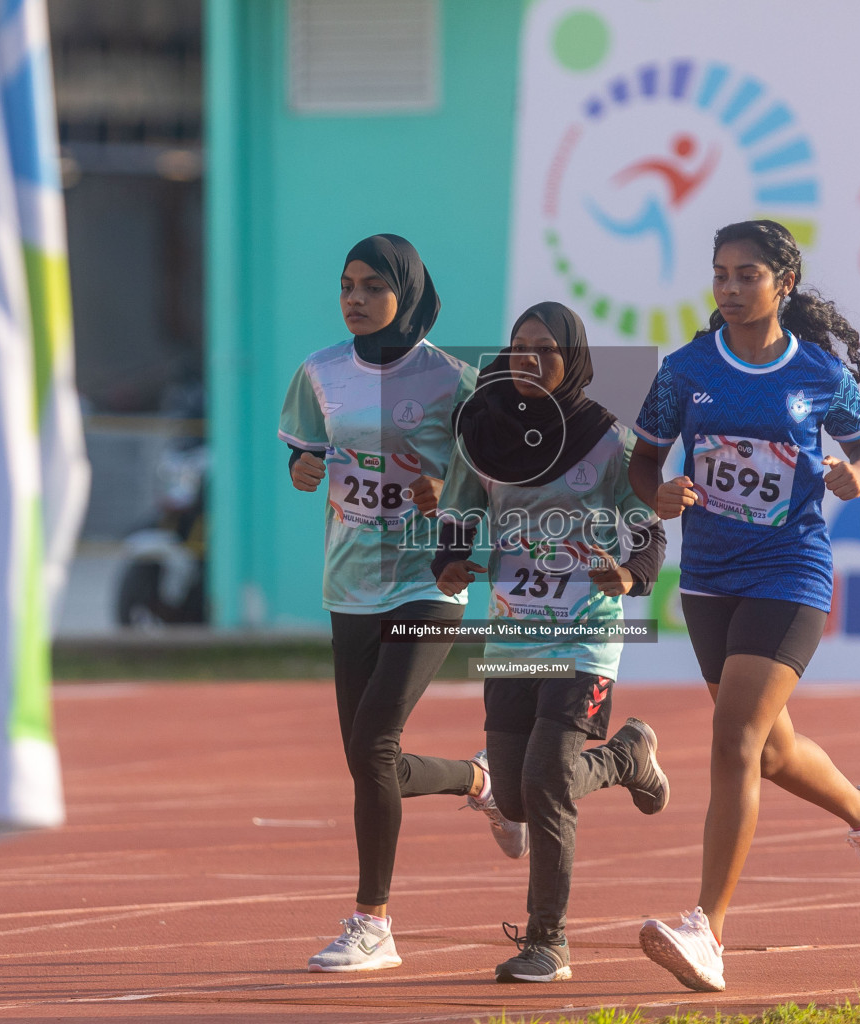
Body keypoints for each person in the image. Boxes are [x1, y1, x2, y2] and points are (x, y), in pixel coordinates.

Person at [626, 221, 860, 992]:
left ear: (782, 284)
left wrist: (858, 475)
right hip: (709, 576)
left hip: (791, 568)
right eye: (719, 273)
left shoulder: (816, 371)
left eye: (746, 274)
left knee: (732, 740)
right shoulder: (684, 370)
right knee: (772, 752)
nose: (728, 287)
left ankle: (706, 931)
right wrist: (661, 495)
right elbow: (643, 461)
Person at [278, 234, 526, 974]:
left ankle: (372, 923)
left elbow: (497, 476)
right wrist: (302, 465)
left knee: (376, 744)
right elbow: (305, 451)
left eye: (371, 287)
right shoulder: (320, 372)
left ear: (407, 294)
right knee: (365, 759)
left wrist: (445, 494)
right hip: (348, 583)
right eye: (346, 285)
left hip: (427, 581)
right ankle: (482, 781)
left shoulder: (456, 381)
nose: (354, 298)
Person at [434, 301, 671, 983]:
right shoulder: (483, 433)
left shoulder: (604, 439)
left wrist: (628, 575)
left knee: (544, 780)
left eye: (545, 349)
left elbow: (649, 528)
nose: (528, 360)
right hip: (513, 635)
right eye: (518, 348)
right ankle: (627, 756)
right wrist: (448, 560)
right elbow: (458, 512)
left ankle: (549, 941)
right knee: (511, 796)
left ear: (574, 359)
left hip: (586, 633)